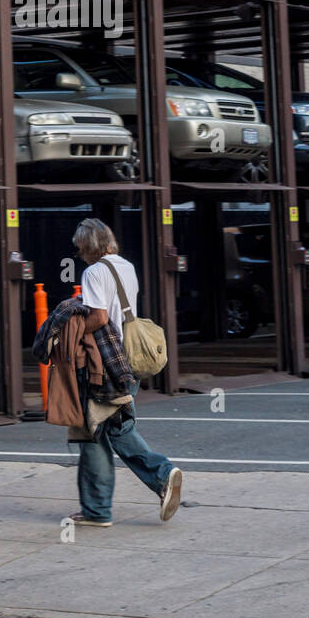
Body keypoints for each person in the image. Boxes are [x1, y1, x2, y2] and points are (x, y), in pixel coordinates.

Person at [68, 217, 183, 527]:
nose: (79, 253)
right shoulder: (127, 267)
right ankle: (98, 509)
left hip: (103, 365)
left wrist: (71, 331)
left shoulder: (93, 272)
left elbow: (100, 317)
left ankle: (160, 475)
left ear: (90, 246)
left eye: (80, 248)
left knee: (98, 433)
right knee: (107, 431)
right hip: (127, 361)